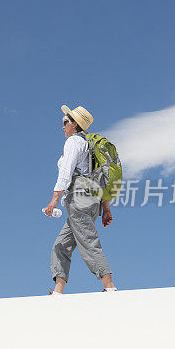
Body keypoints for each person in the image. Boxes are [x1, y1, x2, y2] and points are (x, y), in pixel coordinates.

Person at [43, 104, 116, 295]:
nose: (63, 126)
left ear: (75, 124)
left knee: (88, 243)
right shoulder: (90, 147)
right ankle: (58, 293)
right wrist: (106, 209)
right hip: (90, 201)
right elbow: (100, 178)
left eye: (65, 122)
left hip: (78, 199)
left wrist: (54, 200)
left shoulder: (74, 143)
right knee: (61, 246)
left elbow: (66, 173)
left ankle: (110, 288)